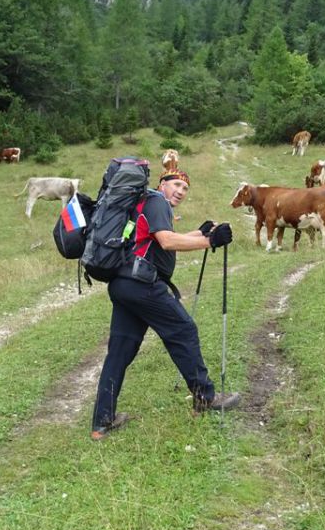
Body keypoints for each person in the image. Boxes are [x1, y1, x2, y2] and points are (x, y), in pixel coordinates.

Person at [91, 168, 239, 440]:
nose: (181, 191)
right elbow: (166, 241)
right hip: (142, 285)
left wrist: (199, 232)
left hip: (123, 284)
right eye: (176, 184)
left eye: (185, 188)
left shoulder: (144, 203)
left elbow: (153, 241)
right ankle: (205, 398)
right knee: (183, 330)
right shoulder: (157, 201)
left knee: (119, 353)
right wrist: (210, 241)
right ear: (162, 183)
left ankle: (102, 422)